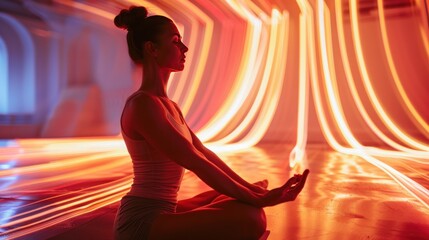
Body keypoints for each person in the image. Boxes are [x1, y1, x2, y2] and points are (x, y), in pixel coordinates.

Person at [113, 6, 310, 240]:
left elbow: (203, 153)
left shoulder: (170, 106)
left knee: (240, 199)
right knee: (250, 218)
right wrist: (258, 198)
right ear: (151, 48)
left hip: (167, 209)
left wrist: (253, 190)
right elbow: (193, 160)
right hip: (141, 223)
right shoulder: (143, 105)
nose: (184, 48)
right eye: (176, 41)